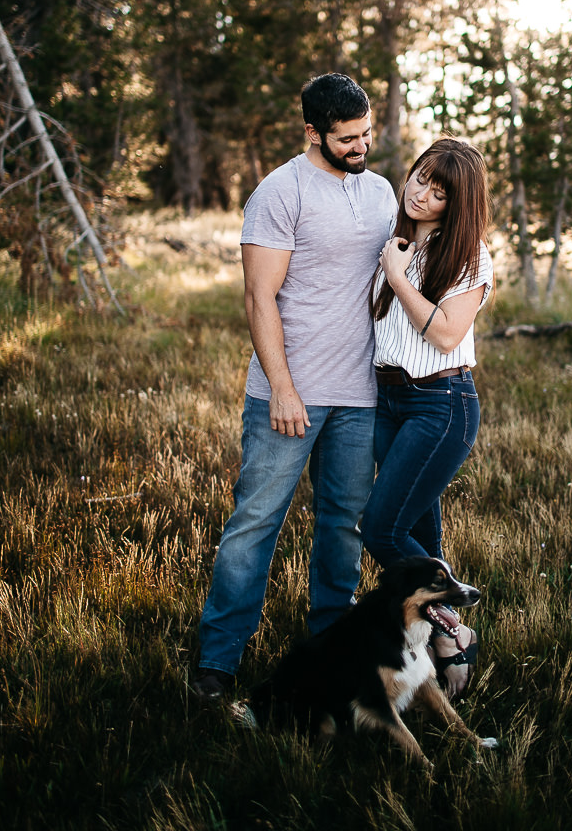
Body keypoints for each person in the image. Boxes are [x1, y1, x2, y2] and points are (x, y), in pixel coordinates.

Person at [194, 73, 397, 699]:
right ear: (313, 131)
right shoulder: (279, 192)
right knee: (255, 523)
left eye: (367, 133)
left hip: (361, 394)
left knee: (342, 527)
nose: (361, 146)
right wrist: (282, 388)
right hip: (291, 395)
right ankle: (217, 664)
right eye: (347, 138)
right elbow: (258, 298)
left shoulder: (383, 191)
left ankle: (330, 654)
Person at [360, 137, 494, 697]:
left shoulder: (469, 257)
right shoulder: (392, 241)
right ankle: (430, 645)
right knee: (418, 529)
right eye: (419, 178)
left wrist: (397, 276)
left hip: (440, 404)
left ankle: (451, 625)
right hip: (387, 400)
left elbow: (443, 334)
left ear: (456, 205)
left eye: (439, 192)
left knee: (381, 528)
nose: (421, 194)